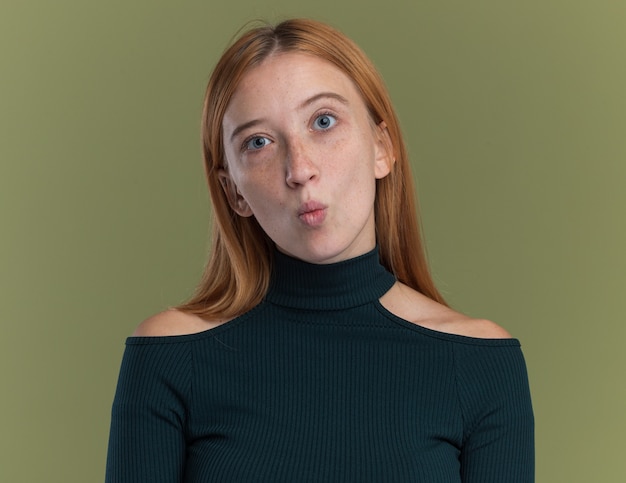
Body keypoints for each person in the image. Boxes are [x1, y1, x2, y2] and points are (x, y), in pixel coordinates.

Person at [105, 18, 534, 482]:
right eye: (259, 142)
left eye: (323, 121)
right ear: (234, 193)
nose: (300, 168)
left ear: (382, 148)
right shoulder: (170, 355)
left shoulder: (480, 362)